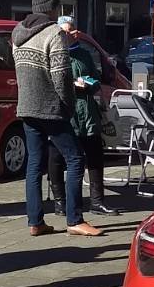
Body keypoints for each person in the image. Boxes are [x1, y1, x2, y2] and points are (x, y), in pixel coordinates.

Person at [12, 0, 102, 238]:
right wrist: (67, 105)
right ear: (53, 9)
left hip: (26, 106)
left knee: (34, 163)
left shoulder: (17, 33)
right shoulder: (54, 34)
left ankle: (35, 221)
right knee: (75, 159)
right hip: (51, 108)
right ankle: (75, 219)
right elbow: (61, 76)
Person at [47, 22, 117, 216]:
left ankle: (97, 202)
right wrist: (71, 85)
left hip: (87, 112)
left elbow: (96, 80)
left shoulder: (85, 54)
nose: (68, 34)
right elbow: (50, 83)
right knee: (57, 157)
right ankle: (60, 203)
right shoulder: (54, 54)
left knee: (95, 156)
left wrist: (90, 84)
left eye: (71, 30)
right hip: (64, 113)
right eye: (64, 30)